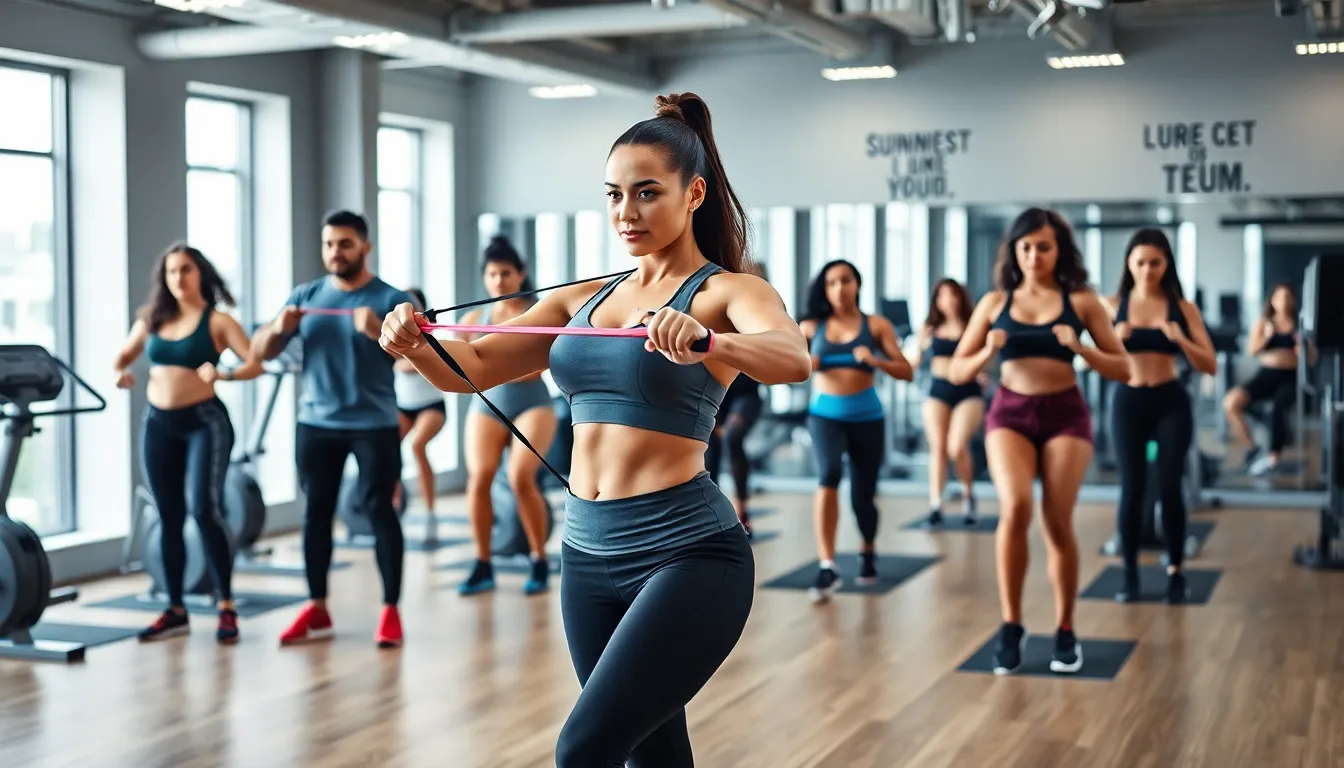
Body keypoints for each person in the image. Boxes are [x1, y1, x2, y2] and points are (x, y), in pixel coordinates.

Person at [379, 92, 810, 768]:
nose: (625, 213)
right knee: (654, 750)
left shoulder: (726, 292)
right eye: (614, 195)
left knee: (584, 749)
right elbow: (474, 368)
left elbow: (792, 357)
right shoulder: (583, 299)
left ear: (693, 193)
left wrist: (708, 342)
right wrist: (412, 341)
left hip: (689, 555)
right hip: (586, 557)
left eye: (645, 193)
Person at [947, 207, 1128, 676]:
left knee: (1057, 521)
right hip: (1009, 412)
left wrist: (1082, 347)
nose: (1034, 256)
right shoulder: (993, 303)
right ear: (1015, 252)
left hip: (1065, 412)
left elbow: (1123, 368)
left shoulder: (1082, 301)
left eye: (1043, 247)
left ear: (1059, 250)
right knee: (1016, 508)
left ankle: (1065, 629)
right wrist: (988, 348)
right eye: (1026, 247)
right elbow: (955, 370)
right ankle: (1012, 625)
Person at [249, 210, 414, 649]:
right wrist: (278, 328)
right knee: (315, 514)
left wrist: (377, 331)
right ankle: (317, 606)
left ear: (365, 247)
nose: (335, 253)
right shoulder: (307, 295)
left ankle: (390, 610)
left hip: (374, 424)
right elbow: (260, 352)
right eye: (328, 245)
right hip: (316, 423)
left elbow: (414, 362)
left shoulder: (391, 298)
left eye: (344, 244)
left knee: (380, 513)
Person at [113, 244, 264, 645]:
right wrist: (120, 372)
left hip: (205, 424)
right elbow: (122, 356)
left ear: (201, 274)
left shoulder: (218, 321)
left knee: (204, 509)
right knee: (169, 514)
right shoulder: (152, 320)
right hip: (159, 425)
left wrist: (224, 374)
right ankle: (175, 609)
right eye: (172, 271)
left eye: (186, 270)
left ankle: (226, 606)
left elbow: (255, 362)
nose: (178, 278)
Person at [1102, 228, 1216, 603]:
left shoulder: (1183, 309)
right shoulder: (1111, 305)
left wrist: (1180, 339)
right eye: (1140, 262)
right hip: (1128, 402)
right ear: (1129, 265)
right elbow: (1092, 364)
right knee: (1132, 489)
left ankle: (1176, 574)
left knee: (1170, 487)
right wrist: (1114, 340)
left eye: (1155, 262)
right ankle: (1130, 575)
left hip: (1170, 401)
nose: (1148, 270)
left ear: (1167, 264)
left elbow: (1209, 364)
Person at [798, 260, 913, 603]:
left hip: (867, 417)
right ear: (825, 288)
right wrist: (807, 363)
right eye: (832, 283)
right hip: (825, 416)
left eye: (846, 281)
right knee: (829, 474)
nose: (839, 289)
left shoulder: (876, 325)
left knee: (863, 497)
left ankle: (867, 549)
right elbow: (787, 368)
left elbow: (906, 371)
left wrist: (876, 361)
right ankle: (827, 564)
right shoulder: (810, 327)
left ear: (857, 284)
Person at [454, 235, 558, 596]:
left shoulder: (537, 312)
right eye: (493, 274)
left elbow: (533, 368)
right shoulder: (474, 317)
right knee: (480, 477)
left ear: (521, 275)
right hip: (488, 405)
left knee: (519, 478)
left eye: (506, 274)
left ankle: (539, 558)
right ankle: (483, 563)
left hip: (533, 404)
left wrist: (481, 360)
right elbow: (455, 361)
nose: (499, 281)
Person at [910, 277, 985, 527]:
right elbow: (914, 364)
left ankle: (968, 495)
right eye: (943, 296)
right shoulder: (930, 328)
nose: (949, 301)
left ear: (960, 298)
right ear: (937, 301)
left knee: (956, 446)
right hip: (938, 389)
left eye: (953, 295)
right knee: (939, 447)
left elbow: (986, 357)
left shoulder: (973, 325)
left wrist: (982, 370)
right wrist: (920, 344)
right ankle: (935, 503)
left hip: (968, 391)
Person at [1222, 283, 1307, 476]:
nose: (1284, 301)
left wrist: (1303, 350)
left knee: (1278, 407)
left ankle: (1273, 457)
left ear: (1292, 301)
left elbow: (1311, 359)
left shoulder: (1299, 324)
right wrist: (1267, 337)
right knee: (1231, 403)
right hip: (1266, 375)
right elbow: (1252, 351)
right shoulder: (1264, 323)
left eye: (1287, 297)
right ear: (1273, 301)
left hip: (1289, 378)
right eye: (1279, 297)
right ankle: (1252, 448)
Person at [394, 288, 448, 539]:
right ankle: (392, 507)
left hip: (431, 406)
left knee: (417, 446)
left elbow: (407, 365)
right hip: (404, 407)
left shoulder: (431, 335)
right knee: (387, 450)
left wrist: (399, 358)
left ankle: (430, 514)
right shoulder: (395, 335)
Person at [706, 372, 762, 538]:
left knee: (732, 438)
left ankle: (741, 514)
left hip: (746, 394)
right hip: (712, 392)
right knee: (708, 449)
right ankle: (711, 516)